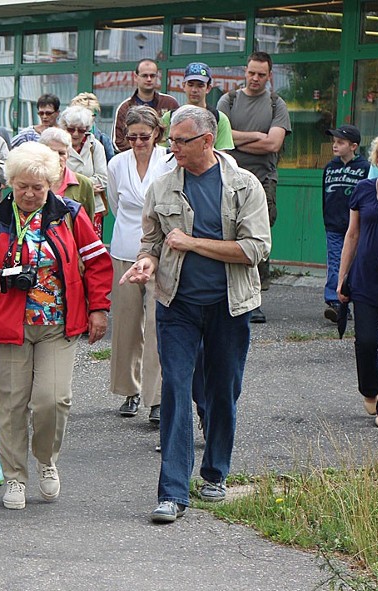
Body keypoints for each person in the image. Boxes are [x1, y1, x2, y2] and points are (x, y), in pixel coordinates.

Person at [119, 105, 271, 524]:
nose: (173, 148)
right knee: (175, 389)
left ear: (207, 141)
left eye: (181, 141)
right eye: (171, 140)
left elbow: (256, 248)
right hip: (176, 305)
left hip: (229, 305)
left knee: (222, 392)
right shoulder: (164, 186)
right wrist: (147, 262)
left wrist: (193, 243)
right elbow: (151, 240)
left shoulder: (244, 185)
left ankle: (215, 472)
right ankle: (171, 491)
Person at [0, 142, 113, 510]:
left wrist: (99, 308)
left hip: (58, 322)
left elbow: (98, 263)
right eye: (22, 186)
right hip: (7, 324)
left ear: (51, 185)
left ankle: (46, 460)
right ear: (9, 183)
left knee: (52, 399)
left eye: (37, 187)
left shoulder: (71, 215)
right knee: (9, 404)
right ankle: (15, 477)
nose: (28, 193)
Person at [107, 106, 173, 423]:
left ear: (156, 134)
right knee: (126, 324)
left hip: (161, 252)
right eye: (131, 137)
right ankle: (129, 391)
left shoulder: (170, 161)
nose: (137, 143)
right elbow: (115, 204)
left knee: (158, 325)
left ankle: (156, 398)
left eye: (143, 137)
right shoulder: (117, 164)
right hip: (124, 248)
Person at [218, 51, 292, 324]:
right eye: (252, 73)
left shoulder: (276, 104)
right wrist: (255, 136)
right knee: (228, 235)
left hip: (263, 180)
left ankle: (256, 298)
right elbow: (218, 137)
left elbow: (273, 144)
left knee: (257, 238)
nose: (256, 78)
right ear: (244, 71)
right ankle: (228, 295)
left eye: (262, 74)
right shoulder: (229, 100)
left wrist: (236, 140)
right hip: (229, 178)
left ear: (269, 76)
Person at [337, 133, 378, 429]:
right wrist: (341, 275)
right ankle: (370, 389)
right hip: (365, 278)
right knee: (366, 341)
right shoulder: (363, 189)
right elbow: (352, 234)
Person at [322, 125, 369, 322]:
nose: (335, 145)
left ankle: (357, 299)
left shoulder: (365, 168)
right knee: (335, 262)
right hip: (334, 224)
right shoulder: (330, 167)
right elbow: (325, 195)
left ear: (354, 146)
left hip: (357, 225)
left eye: (340, 142)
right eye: (334, 142)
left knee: (357, 262)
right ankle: (335, 301)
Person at [159, 63, 234, 151]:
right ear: (183, 86)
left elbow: (222, 155)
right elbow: (161, 151)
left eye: (200, 85)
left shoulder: (220, 119)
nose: (194, 90)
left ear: (208, 88)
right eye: (190, 85)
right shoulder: (169, 117)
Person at [113, 59, 178, 153]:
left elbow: (178, 135)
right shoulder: (125, 107)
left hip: (165, 160)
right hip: (133, 161)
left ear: (157, 76)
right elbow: (118, 142)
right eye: (144, 75)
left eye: (152, 75)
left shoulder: (170, 103)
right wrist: (141, 151)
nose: (149, 79)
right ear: (135, 77)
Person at [58, 105, 108, 221]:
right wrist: (88, 186)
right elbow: (55, 177)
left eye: (81, 130)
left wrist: (71, 184)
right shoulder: (58, 146)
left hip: (92, 207)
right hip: (63, 206)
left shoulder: (95, 146)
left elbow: (103, 179)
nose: (75, 134)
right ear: (64, 127)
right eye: (71, 129)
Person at [39, 127, 95, 217]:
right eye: (52, 152)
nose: (57, 157)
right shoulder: (32, 181)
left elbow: (87, 222)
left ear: (68, 155)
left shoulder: (84, 184)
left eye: (61, 153)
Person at [70, 92, 115, 164]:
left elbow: (111, 168)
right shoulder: (62, 137)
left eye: (88, 115)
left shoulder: (103, 140)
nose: (84, 119)